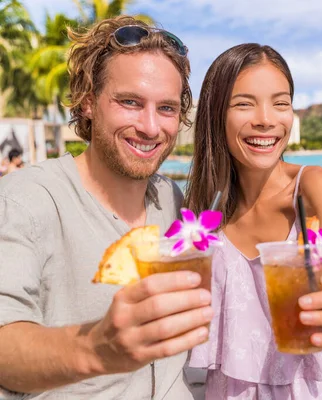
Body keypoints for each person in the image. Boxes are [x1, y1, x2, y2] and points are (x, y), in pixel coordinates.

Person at [0, 16, 211, 399]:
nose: (150, 127)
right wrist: (99, 348)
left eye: (166, 108)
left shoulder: (173, 201)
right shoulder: (24, 201)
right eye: (130, 102)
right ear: (88, 104)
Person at [184, 43, 322, 398]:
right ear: (215, 114)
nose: (266, 119)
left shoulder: (316, 187)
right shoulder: (205, 212)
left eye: (280, 103)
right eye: (244, 103)